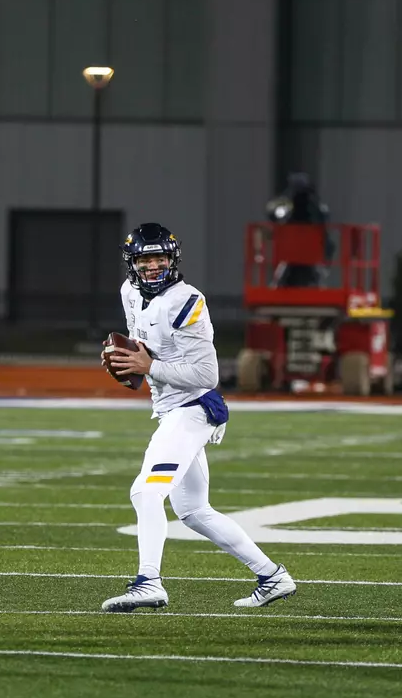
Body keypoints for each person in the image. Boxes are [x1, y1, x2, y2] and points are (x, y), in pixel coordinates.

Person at [101, 223, 297, 611]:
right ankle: (272, 576)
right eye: (145, 259)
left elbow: (207, 376)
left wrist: (149, 366)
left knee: (145, 491)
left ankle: (149, 582)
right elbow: (142, 346)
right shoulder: (129, 292)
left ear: (172, 259)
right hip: (171, 408)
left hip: (193, 407)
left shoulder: (187, 299)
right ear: (132, 264)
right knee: (193, 511)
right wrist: (130, 364)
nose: (154, 266)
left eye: (160, 257)